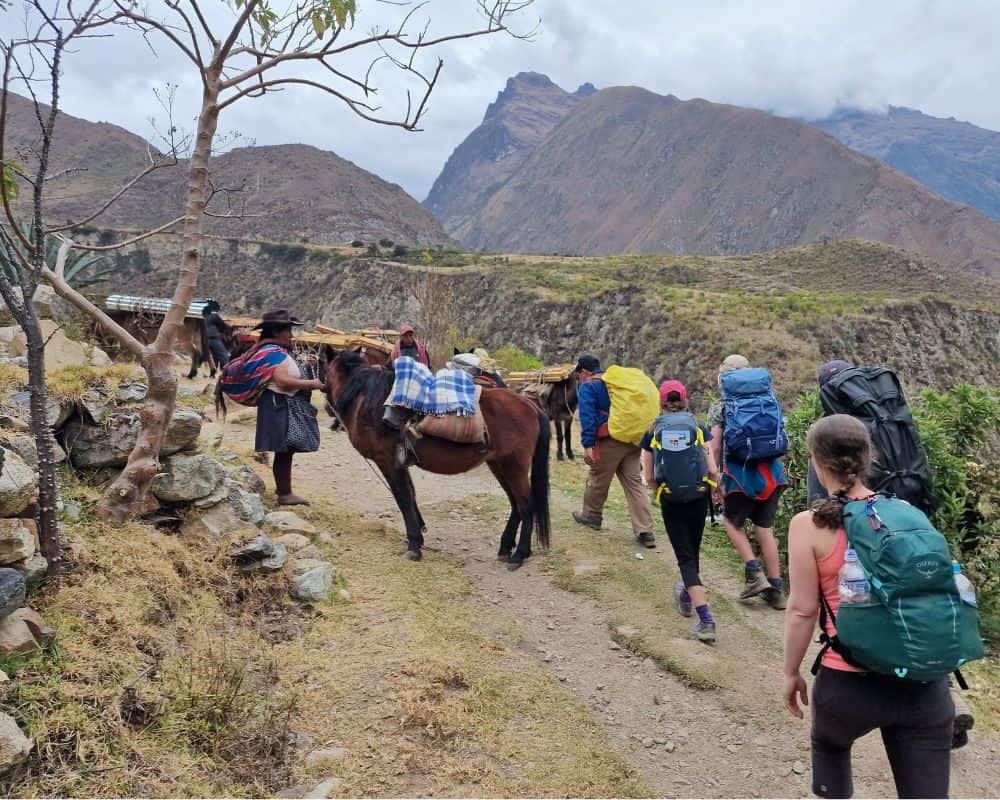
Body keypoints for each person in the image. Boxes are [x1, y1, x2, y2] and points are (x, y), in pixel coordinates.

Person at [783, 414, 953, 799]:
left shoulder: (808, 525)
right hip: (923, 686)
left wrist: (791, 672)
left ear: (815, 459)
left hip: (847, 686)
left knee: (831, 755)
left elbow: (802, 611)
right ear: (868, 457)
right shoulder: (909, 514)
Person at [808, 358, 974, 749]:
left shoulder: (832, 442)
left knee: (876, 614)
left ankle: (895, 695)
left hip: (862, 534)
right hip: (913, 518)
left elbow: (821, 507)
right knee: (920, 605)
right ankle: (946, 696)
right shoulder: (893, 419)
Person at [641, 380, 721, 643]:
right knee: (692, 552)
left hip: (671, 499)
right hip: (699, 496)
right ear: (685, 400)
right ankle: (686, 595)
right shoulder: (698, 428)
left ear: (662, 402)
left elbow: (649, 475)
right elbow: (711, 469)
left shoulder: (653, 431)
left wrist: (660, 492)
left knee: (685, 557)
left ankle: (706, 620)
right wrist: (713, 489)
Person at [708, 354, 788, 609]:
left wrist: (715, 478)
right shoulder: (768, 399)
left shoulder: (721, 406)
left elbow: (715, 445)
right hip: (772, 474)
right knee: (765, 529)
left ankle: (755, 575)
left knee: (731, 522)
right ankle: (776, 589)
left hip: (739, 476)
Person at [571, 354, 656, 548]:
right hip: (634, 440)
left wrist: (587, 445)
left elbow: (588, 417)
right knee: (634, 483)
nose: (579, 380)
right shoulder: (616, 383)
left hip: (610, 440)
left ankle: (591, 516)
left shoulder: (589, 386)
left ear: (584, 372)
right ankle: (645, 530)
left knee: (598, 478)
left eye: (578, 376)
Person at [253, 309, 323, 506]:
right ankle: (284, 494)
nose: (291, 335)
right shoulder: (272, 352)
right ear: (276, 332)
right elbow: (282, 380)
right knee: (284, 450)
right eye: (288, 330)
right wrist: (312, 383)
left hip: (279, 404)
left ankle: (284, 490)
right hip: (279, 405)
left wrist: (301, 363)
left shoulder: (275, 351)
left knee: (286, 450)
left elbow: (284, 370)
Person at [201, 300, 233, 370]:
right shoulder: (214, 315)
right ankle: (227, 371)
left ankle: (213, 373)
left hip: (203, 339)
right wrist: (230, 328)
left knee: (214, 355)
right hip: (213, 337)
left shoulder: (201, 315)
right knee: (223, 355)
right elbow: (222, 325)